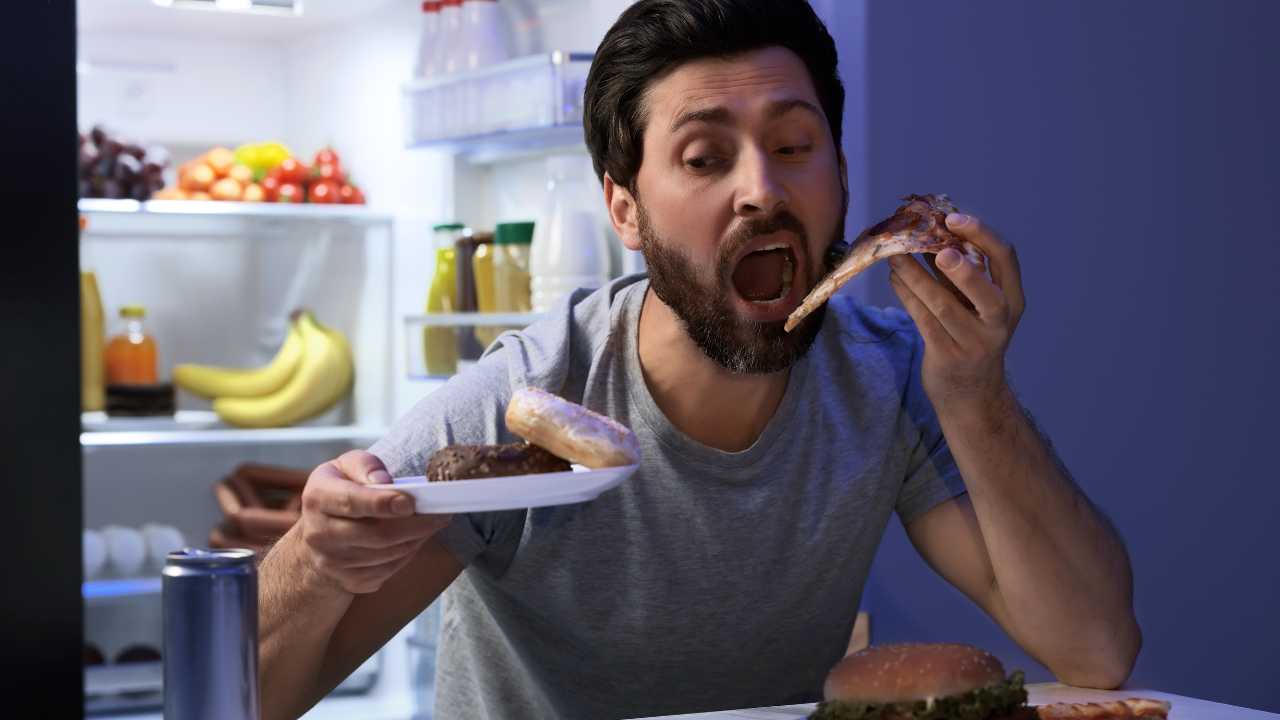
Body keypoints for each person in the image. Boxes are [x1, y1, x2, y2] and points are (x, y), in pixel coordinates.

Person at [257, 1, 1142, 718]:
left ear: (840, 171)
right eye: (704, 157)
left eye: (794, 148)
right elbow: (249, 694)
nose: (761, 188)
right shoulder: (529, 400)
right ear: (625, 208)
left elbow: (1095, 649)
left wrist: (977, 392)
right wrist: (319, 560)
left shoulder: (893, 379)